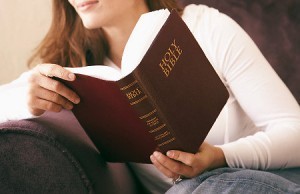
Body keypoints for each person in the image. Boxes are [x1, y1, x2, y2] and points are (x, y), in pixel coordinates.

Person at [1, 0, 300, 193]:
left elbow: (295, 131)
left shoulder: (206, 27)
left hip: (266, 181)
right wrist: (25, 100)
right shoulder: (75, 69)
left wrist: (219, 157)